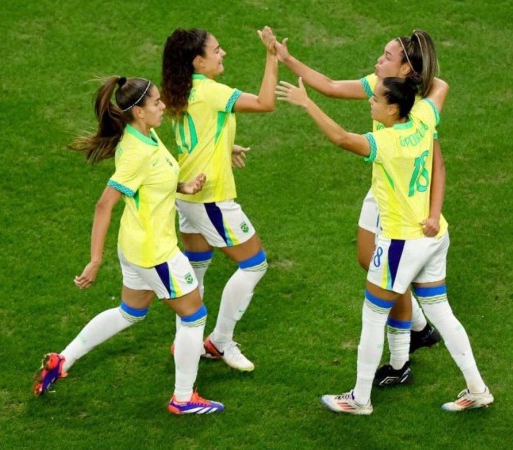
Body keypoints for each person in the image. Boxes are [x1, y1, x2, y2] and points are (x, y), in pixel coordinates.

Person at [276, 72, 493, 413]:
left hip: (401, 243)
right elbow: (440, 87)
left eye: (377, 99)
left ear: (393, 109)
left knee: (374, 316)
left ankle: (360, 399)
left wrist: (307, 103)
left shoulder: (388, 144)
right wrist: (418, 59)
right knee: (442, 313)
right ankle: (478, 389)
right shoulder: (423, 118)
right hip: (434, 236)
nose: (370, 101)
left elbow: (342, 139)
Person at [32, 76, 224, 415]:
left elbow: (154, 180)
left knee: (130, 312)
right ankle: (183, 398)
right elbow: (103, 205)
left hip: (136, 247)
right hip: (155, 252)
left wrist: (183, 185)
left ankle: (64, 360)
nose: (163, 106)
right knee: (195, 315)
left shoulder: (145, 133)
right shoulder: (135, 151)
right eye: (156, 103)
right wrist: (94, 261)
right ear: (138, 112)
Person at [275, 31, 445, 387]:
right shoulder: (385, 86)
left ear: (406, 68)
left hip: (398, 200)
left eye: (386, 56)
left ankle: (400, 362)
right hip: (380, 190)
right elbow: (333, 85)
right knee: (367, 258)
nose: (377, 61)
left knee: (387, 278)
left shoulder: (416, 105)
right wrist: (286, 58)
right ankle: (419, 326)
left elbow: (342, 137)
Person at [159, 27, 277, 372]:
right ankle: (219, 342)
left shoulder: (182, 90)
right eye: (217, 49)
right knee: (254, 263)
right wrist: (272, 57)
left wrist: (226, 148)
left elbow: (199, 134)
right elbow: (265, 103)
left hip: (185, 193)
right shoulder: (210, 91)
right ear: (198, 61)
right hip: (209, 197)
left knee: (196, 265)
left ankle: (186, 340)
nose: (223, 53)